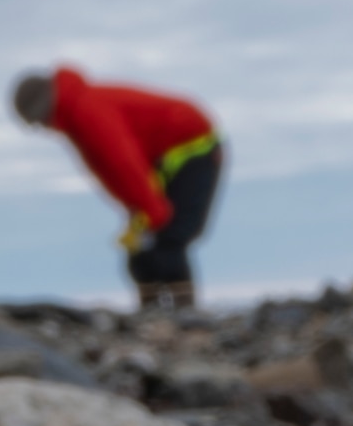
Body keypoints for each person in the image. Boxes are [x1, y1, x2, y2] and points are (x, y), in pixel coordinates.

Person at [12, 67, 220, 310]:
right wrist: (137, 210)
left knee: (169, 238)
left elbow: (123, 162)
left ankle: (184, 316)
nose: (43, 129)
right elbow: (111, 172)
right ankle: (154, 313)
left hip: (193, 149)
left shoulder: (87, 111)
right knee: (140, 251)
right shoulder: (76, 116)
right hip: (161, 163)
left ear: (45, 108)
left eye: (39, 121)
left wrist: (151, 210)